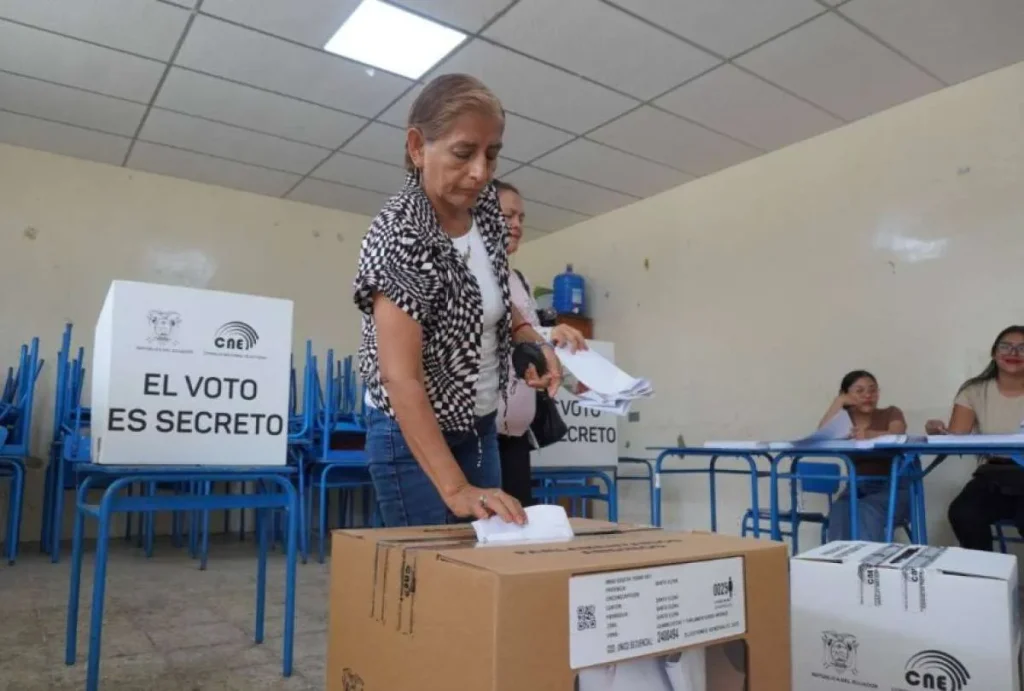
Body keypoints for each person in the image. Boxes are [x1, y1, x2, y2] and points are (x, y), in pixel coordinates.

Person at [353, 74, 584, 528]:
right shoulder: (401, 232)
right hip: (412, 433)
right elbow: (400, 377)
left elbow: (491, 294)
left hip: (479, 425)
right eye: (463, 153)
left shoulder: (486, 213)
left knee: (485, 553)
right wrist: (456, 489)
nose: (481, 172)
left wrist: (527, 336)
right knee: (431, 564)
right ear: (418, 147)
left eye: (491, 154)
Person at [493, 179, 586, 507]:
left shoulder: (520, 281)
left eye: (521, 218)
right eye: (508, 216)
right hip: (481, 433)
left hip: (518, 432)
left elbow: (531, 340)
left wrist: (577, 379)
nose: (517, 225)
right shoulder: (474, 276)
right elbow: (500, 334)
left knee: (519, 522)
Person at [933, 325, 1024, 551]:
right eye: (1006, 346)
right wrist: (938, 432)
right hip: (994, 474)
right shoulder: (974, 391)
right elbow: (957, 437)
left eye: (1023, 348)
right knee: (963, 513)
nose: (1013, 353)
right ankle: (988, 570)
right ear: (994, 353)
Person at [817, 370, 910, 541]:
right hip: (856, 486)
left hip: (893, 487)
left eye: (873, 390)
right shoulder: (844, 422)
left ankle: (868, 558)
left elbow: (897, 433)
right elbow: (822, 435)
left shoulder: (891, 412)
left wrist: (868, 435)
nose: (868, 395)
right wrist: (839, 402)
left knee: (865, 509)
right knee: (840, 511)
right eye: (859, 391)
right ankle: (841, 557)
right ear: (846, 394)